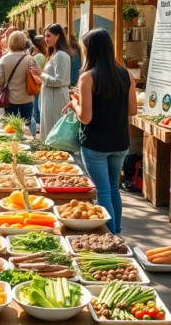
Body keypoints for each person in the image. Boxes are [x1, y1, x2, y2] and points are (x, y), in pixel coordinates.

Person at [64, 28, 136, 234]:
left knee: (103, 191)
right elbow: (132, 110)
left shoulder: (87, 77)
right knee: (114, 189)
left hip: (95, 143)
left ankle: (110, 238)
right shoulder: (126, 74)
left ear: (90, 49)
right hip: (120, 141)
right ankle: (117, 232)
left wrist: (74, 104)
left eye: (84, 46)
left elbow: (86, 117)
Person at [29, 23, 73, 140]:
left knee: (54, 133)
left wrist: (40, 74)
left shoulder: (61, 55)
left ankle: (55, 155)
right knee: (49, 130)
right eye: (45, 36)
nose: (46, 39)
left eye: (49, 36)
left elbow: (59, 81)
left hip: (56, 98)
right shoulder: (55, 54)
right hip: (51, 96)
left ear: (58, 36)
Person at [0, 31, 34, 123]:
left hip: (10, 97)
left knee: (11, 124)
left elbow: (0, 80)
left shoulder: (4, 59)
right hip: (27, 97)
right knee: (26, 125)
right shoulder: (30, 59)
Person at [29, 35, 47, 136]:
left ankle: (39, 127)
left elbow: (35, 71)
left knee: (37, 107)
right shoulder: (42, 55)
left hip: (37, 83)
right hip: (40, 82)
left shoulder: (38, 56)